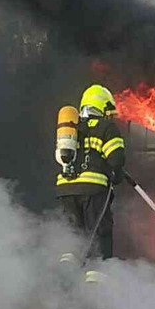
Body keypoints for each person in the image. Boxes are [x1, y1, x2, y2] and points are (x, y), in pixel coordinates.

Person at [56, 84, 126, 266]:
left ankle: (67, 274)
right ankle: (98, 276)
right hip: (93, 190)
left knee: (74, 234)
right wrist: (117, 176)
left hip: (66, 189)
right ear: (102, 106)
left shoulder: (72, 128)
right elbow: (116, 159)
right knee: (99, 232)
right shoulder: (106, 127)